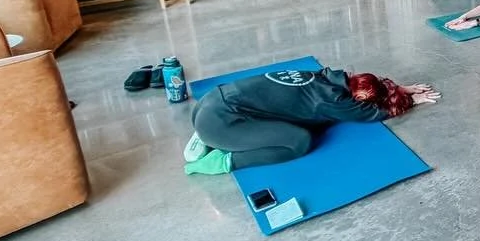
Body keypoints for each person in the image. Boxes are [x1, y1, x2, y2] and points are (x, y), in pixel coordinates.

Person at [184, 66, 440, 174]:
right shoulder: (332, 102)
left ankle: (205, 136)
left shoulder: (322, 76)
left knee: (297, 119)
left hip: (210, 103)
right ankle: (221, 159)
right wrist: (408, 101)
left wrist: (398, 87)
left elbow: (362, 92)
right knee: (299, 140)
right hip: (219, 124)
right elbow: (371, 114)